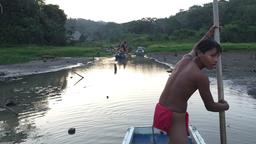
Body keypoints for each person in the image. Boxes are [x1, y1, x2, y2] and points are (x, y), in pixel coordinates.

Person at [153, 25, 229, 144]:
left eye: (218, 56)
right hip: (175, 116)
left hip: (160, 109)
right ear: (200, 54)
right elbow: (210, 106)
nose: (216, 60)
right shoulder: (201, 77)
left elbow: (196, 48)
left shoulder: (185, 60)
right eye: (212, 55)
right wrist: (225, 106)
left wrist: (209, 34)